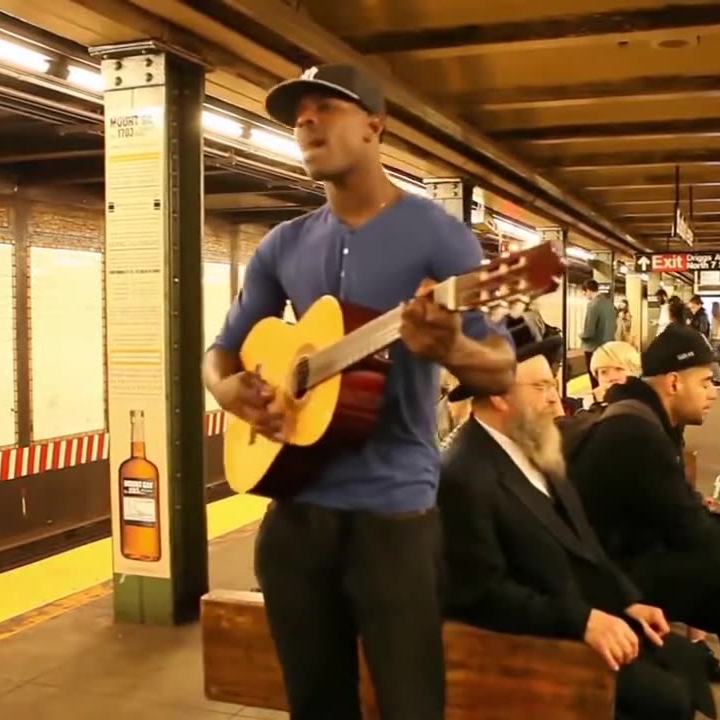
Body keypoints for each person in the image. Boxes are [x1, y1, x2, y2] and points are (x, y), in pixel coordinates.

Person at [203, 63, 517, 720]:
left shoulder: (437, 234)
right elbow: (221, 352)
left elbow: (501, 369)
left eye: (325, 107)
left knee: (410, 707)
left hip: (394, 521)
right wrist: (230, 390)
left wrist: (452, 348)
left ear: (374, 125)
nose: (306, 122)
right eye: (297, 115)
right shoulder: (283, 244)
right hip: (292, 517)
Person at [439, 318, 716, 720]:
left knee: (684, 662)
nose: (556, 400)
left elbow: (584, 544)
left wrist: (627, 601)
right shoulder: (463, 475)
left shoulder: (534, 443)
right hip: (535, 643)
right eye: (541, 387)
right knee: (666, 699)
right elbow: (483, 594)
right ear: (498, 395)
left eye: (552, 384)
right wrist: (584, 620)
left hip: (584, 611)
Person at [566, 325, 720, 720]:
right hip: (608, 579)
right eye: (705, 381)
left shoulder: (647, 420)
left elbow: (684, 512)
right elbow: (690, 530)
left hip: (627, 562)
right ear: (674, 382)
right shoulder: (635, 432)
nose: (714, 391)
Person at [580, 280, 617, 389]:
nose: (584, 295)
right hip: (608, 346)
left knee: (595, 379)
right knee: (605, 377)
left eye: (584, 292)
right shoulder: (609, 303)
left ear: (588, 290)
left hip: (593, 348)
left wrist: (581, 335)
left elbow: (589, 332)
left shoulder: (593, 305)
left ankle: (598, 401)